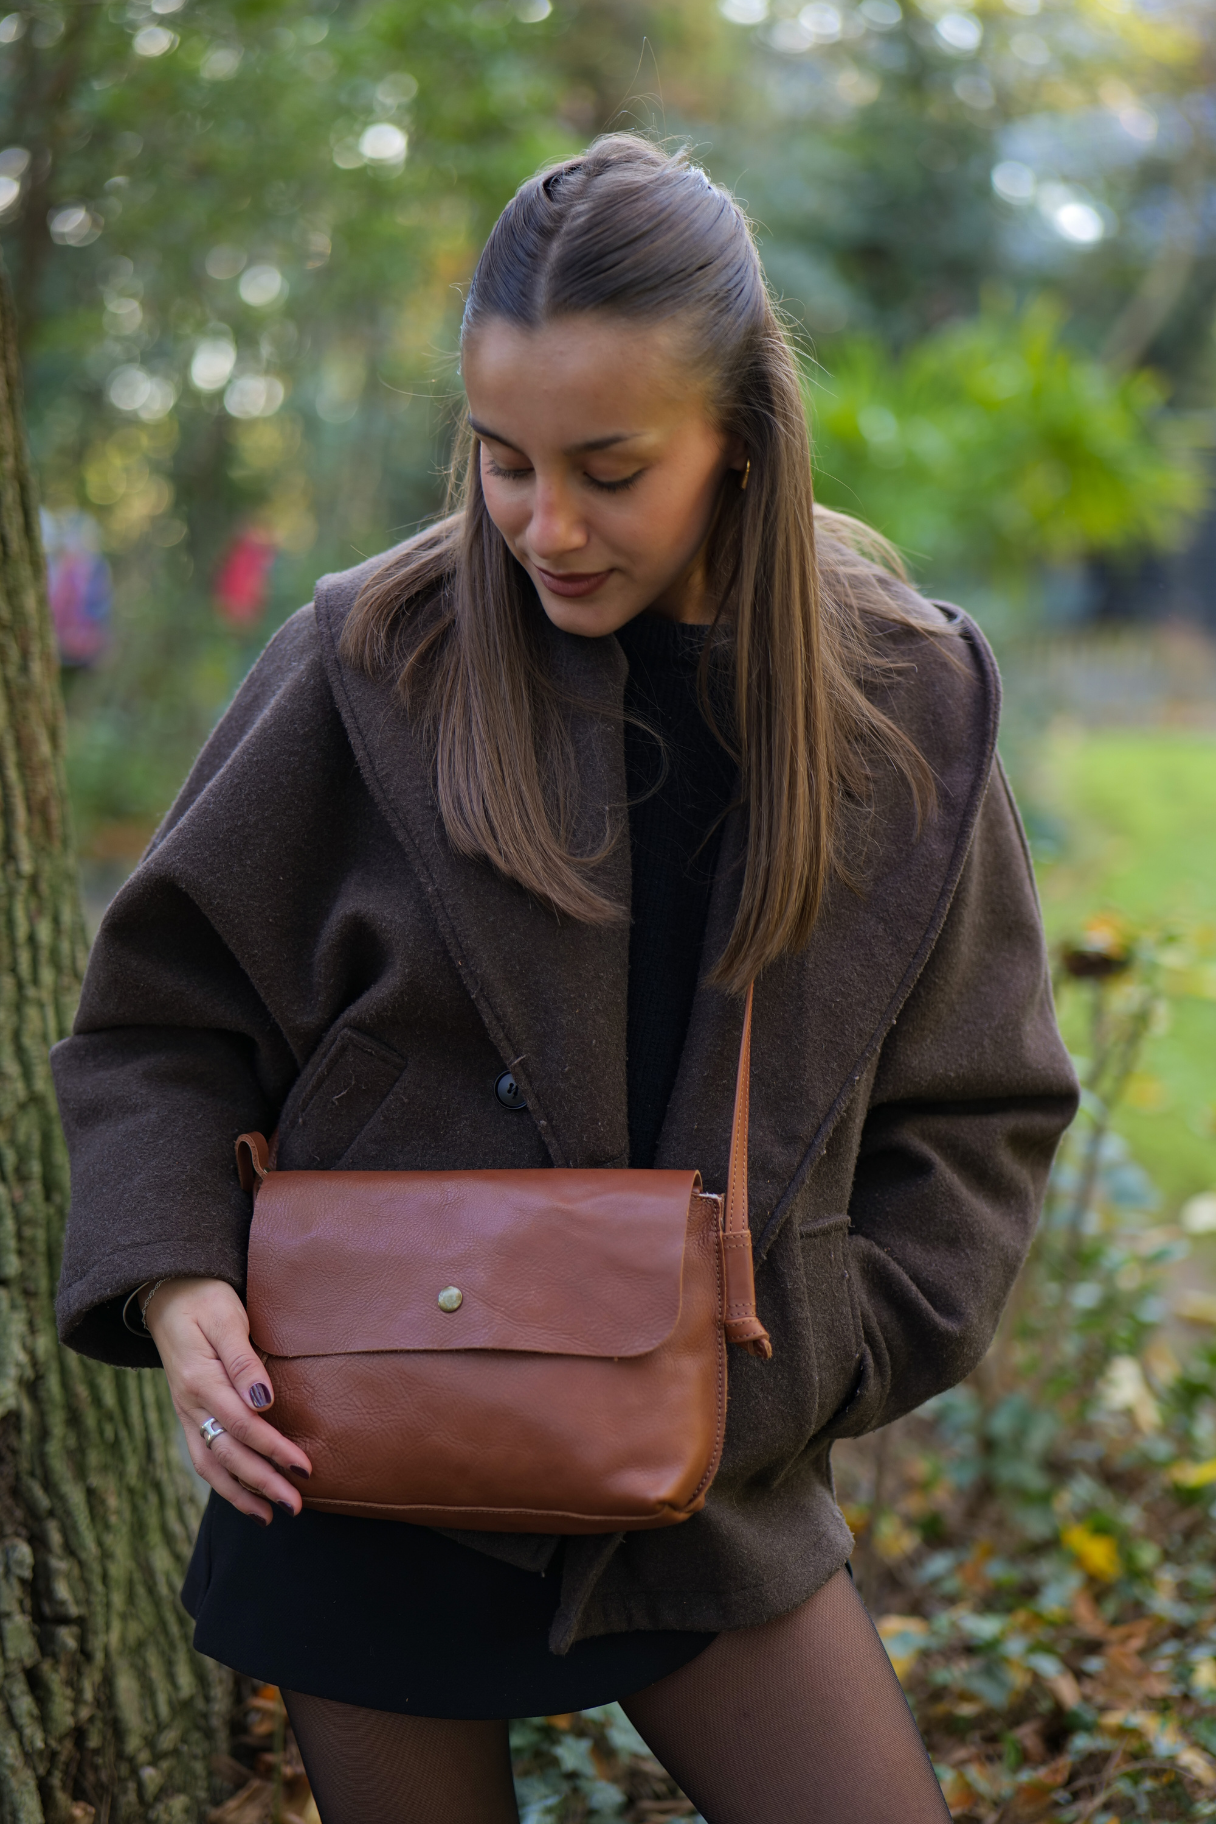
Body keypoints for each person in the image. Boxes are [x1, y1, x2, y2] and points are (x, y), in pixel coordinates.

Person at [53, 136, 1078, 1823]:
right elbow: (161, 1028)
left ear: (740, 439)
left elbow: (983, 1102)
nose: (545, 523)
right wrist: (183, 1292)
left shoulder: (902, 698)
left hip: (711, 1490)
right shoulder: (363, 657)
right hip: (365, 1457)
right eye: (503, 460)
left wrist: (800, 1358)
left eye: (610, 465)